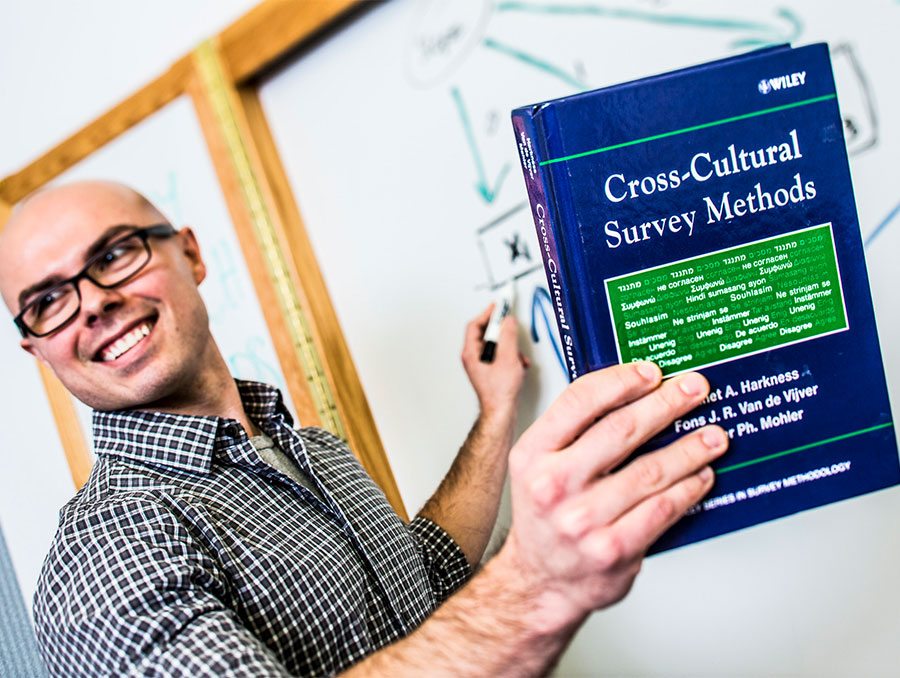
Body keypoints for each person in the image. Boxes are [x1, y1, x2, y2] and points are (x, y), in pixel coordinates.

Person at [0, 180, 728, 677]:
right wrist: (538, 585)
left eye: (114, 254)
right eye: (47, 302)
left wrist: (496, 412)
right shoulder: (105, 554)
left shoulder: (308, 449)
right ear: (37, 347)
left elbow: (428, 579)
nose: (91, 304)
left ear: (189, 253)